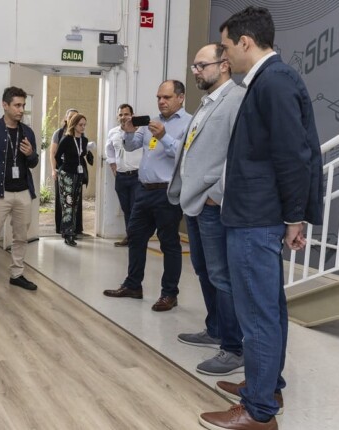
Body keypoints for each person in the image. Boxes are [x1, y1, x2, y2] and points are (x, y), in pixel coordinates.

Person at [199, 7, 323, 429]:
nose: (225, 55)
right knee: (267, 308)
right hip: (256, 216)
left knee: (258, 314)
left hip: (257, 219)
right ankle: (265, 386)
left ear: (246, 43)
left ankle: (258, 412)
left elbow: (295, 156)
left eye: (228, 47)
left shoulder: (273, 82)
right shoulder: (270, 81)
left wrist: (294, 218)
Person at [168, 43, 245, 377]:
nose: (195, 71)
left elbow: (238, 154)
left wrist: (217, 193)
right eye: (194, 66)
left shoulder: (237, 100)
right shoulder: (207, 102)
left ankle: (233, 347)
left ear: (224, 64)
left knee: (221, 275)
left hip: (212, 203)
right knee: (202, 269)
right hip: (194, 202)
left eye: (201, 65)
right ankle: (214, 328)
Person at [103, 80, 191, 312]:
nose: (161, 101)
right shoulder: (153, 122)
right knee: (136, 238)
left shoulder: (189, 123)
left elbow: (185, 154)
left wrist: (163, 137)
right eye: (159, 97)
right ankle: (133, 285)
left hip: (167, 192)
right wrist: (129, 132)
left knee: (169, 244)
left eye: (167, 97)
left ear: (180, 98)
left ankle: (169, 294)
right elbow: (132, 147)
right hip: (144, 190)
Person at [0, 86, 40, 296]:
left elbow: (34, 162)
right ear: (5, 105)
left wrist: (30, 154)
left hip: (23, 193)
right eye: (17, 105)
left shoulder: (27, 132)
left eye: (23, 105)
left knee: (21, 237)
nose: (21, 110)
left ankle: (17, 274)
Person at [105, 103, 141, 247]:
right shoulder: (113, 132)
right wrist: (113, 167)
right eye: (120, 114)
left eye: (126, 114)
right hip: (121, 177)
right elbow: (109, 151)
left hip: (137, 176)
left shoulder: (140, 131)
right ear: (117, 116)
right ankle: (129, 236)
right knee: (126, 208)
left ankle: (135, 238)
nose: (123, 117)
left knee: (135, 208)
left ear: (131, 115)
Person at [55, 113, 90, 246]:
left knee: (74, 204)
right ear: (74, 125)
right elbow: (57, 156)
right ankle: (68, 233)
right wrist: (61, 169)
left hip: (78, 174)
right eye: (80, 125)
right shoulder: (66, 139)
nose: (83, 127)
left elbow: (82, 155)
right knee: (67, 204)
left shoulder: (84, 140)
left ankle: (70, 230)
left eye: (84, 125)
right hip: (67, 175)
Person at [50, 109, 81, 236]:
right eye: (71, 116)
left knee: (75, 202)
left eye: (76, 117)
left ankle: (75, 229)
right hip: (63, 171)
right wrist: (54, 169)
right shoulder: (59, 133)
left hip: (77, 172)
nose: (73, 119)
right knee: (64, 201)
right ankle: (63, 229)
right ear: (66, 118)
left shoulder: (80, 133)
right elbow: (53, 153)